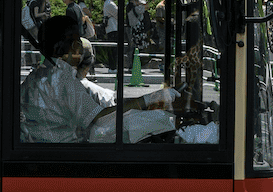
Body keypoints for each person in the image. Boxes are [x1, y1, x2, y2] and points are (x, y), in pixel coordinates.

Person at [20, 16, 172, 143]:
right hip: (63, 153)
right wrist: (147, 99)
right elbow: (99, 118)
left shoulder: (35, 76)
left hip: (41, 149)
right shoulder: (63, 80)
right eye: (78, 39)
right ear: (74, 46)